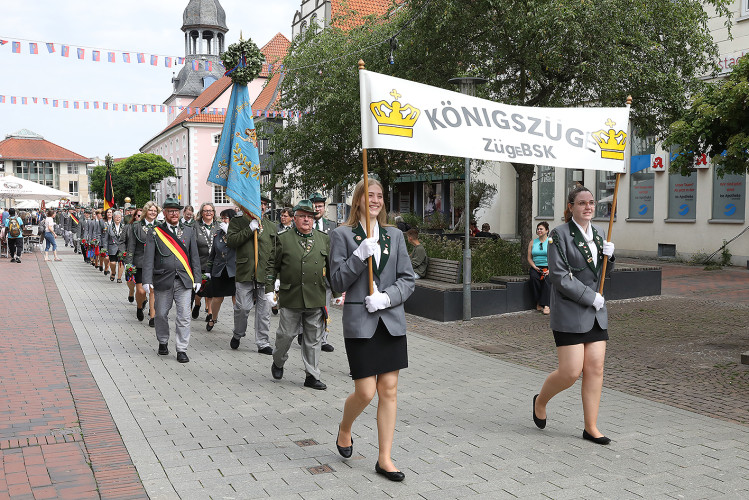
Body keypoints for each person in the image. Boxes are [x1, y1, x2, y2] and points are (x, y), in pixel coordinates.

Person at [329, 178, 415, 482]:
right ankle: (345, 427)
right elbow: (336, 282)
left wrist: (387, 297)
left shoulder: (395, 235)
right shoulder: (341, 235)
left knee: (389, 391)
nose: (376, 200)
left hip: (390, 320)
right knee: (365, 392)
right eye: (370, 195)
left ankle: (384, 458)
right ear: (359, 200)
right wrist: (358, 256)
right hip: (360, 323)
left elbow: (408, 278)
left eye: (380, 196)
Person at [533, 186, 615, 445]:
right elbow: (558, 277)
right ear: (570, 207)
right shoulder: (558, 235)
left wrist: (610, 259)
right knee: (570, 372)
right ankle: (540, 401)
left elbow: (603, 274)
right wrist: (591, 297)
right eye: (582, 203)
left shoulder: (601, 233)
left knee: (595, 369)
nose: (588, 207)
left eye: (591, 203)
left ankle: (591, 427)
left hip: (595, 313)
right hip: (571, 311)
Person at [269, 199, 338, 390]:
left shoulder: (323, 238)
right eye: (303, 216)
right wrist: (269, 288)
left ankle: (312, 375)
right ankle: (278, 361)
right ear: (295, 218)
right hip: (291, 295)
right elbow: (271, 265)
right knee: (285, 335)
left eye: (310, 217)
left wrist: (337, 292)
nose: (307, 220)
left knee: (313, 338)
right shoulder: (283, 238)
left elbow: (330, 267)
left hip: (315, 295)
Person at [142, 197, 202, 363]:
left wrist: (197, 278)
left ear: (180, 212)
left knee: (184, 316)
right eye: (170, 211)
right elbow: (148, 258)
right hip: (163, 279)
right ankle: (162, 340)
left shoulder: (189, 231)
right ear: (165, 213)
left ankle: (182, 349)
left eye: (176, 211)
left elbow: (194, 257)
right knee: (161, 314)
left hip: (183, 281)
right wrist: (147, 279)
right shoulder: (155, 232)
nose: (174, 214)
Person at [228, 195, 278, 355]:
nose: (262, 207)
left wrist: (276, 276)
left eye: (264, 204)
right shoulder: (238, 222)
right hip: (245, 272)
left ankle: (263, 343)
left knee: (264, 311)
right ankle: (238, 333)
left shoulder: (271, 226)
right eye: (259, 204)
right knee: (242, 308)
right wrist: (249, 229)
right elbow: (231, 241)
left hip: (265, 274)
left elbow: (276, 251)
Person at [308, 191, 337, 352]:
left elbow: (334, 252)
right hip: (306, 274)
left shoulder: (331, 226)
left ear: (324, 208)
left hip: (325, 275)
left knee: (324, 308)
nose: (317, 209)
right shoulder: (304, 223)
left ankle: (323, 339)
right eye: (315, 206)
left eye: (320, 206)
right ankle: (302, 333)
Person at [127, 201, 159, 327]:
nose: (153, 213)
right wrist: (129, 263)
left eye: (155, 211)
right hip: (140, 262)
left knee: (153, 290)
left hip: (155, 263)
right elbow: (131, 246)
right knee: (141, 291)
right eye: (151, 210)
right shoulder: (136, 226)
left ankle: (153, 317)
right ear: (146, 211)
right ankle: (139, 306)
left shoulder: (160, 226)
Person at [205, 209, 237, 331]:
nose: (223, 221)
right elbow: (212, 254)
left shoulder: (236, 234)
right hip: (219, 270)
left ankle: (237, 324)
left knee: (236, 299)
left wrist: (229, 232)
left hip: (234, 270)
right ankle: (213, 318)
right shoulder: (218, 234)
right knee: (218, 298)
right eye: (222, 218)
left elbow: (237, 246)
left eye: (225, 218)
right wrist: (208, 270)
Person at [192, 202, 220, 322]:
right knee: (200, 289)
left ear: (214, 213)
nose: (208, 212)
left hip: (214, 263)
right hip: (200, 261)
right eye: (205, 210)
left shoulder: (219, 226)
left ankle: (210, 313)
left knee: (211, 289)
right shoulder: (195, 226)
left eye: (211, 210)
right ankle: (197, 304)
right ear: (201, 213)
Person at [527, 221, 551, 315]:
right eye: (538, 229)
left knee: (547, 280)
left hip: (548, 267)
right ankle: (538, 302)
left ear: (547, 230)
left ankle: (546, 305)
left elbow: (555, 257)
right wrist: (534, 267)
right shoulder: (533, 242)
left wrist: (550, 269)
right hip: (536, 267)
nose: (539, 230)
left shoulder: (550, 242)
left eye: (541, 229)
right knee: (534, 279)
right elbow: (529, 258)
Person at [102, 210, 127, 282]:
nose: (118, 219)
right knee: (113, 263)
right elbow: (106, 238)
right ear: (113, 218)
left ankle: (119, 278)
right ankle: (113, 272)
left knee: (121, 262)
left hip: (121, 247)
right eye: (116, 217)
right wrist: (105, 248)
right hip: (112, 247)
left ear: (121, 218)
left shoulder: (124, 227)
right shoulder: (109, 227)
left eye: (119, 217)